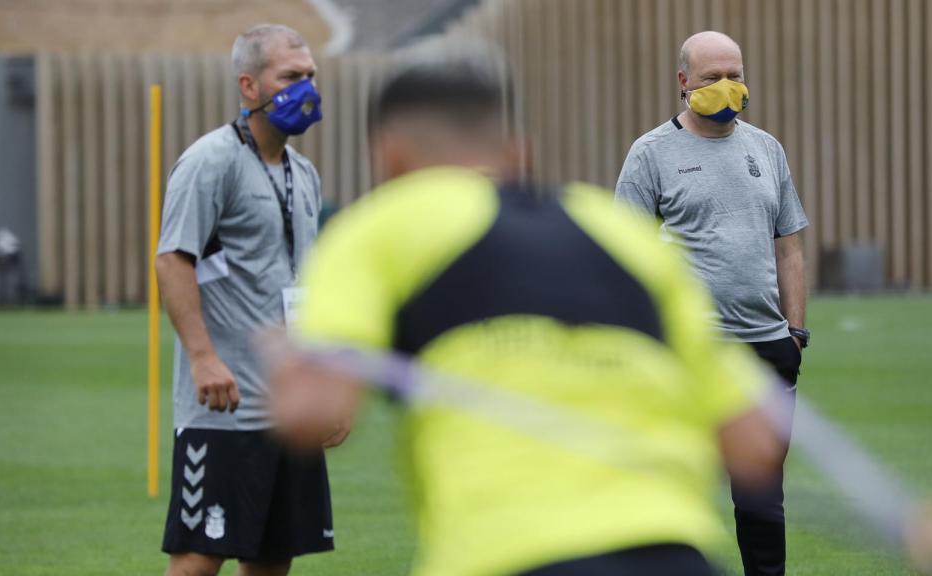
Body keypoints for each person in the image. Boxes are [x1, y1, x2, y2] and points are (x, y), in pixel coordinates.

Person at [267, 38, 785, 576]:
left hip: (505, 555)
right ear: (516, 152)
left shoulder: (377, 229)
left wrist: (284, 364)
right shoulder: (617, 234)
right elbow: (754, 445)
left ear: (390, 156)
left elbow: (314, 415)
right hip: (673, 551)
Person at [615, 30, 809, 576]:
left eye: (734, 74)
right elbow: (624, 255)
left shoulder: (766, 149)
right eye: (711, 78)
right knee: (672, 488)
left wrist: (796, 332)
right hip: (687, 354)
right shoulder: (651, 153)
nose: (727, 87)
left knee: (762, 498)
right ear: (683, 83)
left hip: (766, 349)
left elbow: (789, 246)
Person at [155, 24, 334, 576]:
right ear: (249, 86)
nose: (305, 88)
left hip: (288, 407)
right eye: (290, 77)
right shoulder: (211, 161)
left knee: (273, 557)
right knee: (199, 557)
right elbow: (173, 259)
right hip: (225, 410)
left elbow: (306, 285)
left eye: (310, 77)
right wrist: (203, 356)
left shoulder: (304, 175)